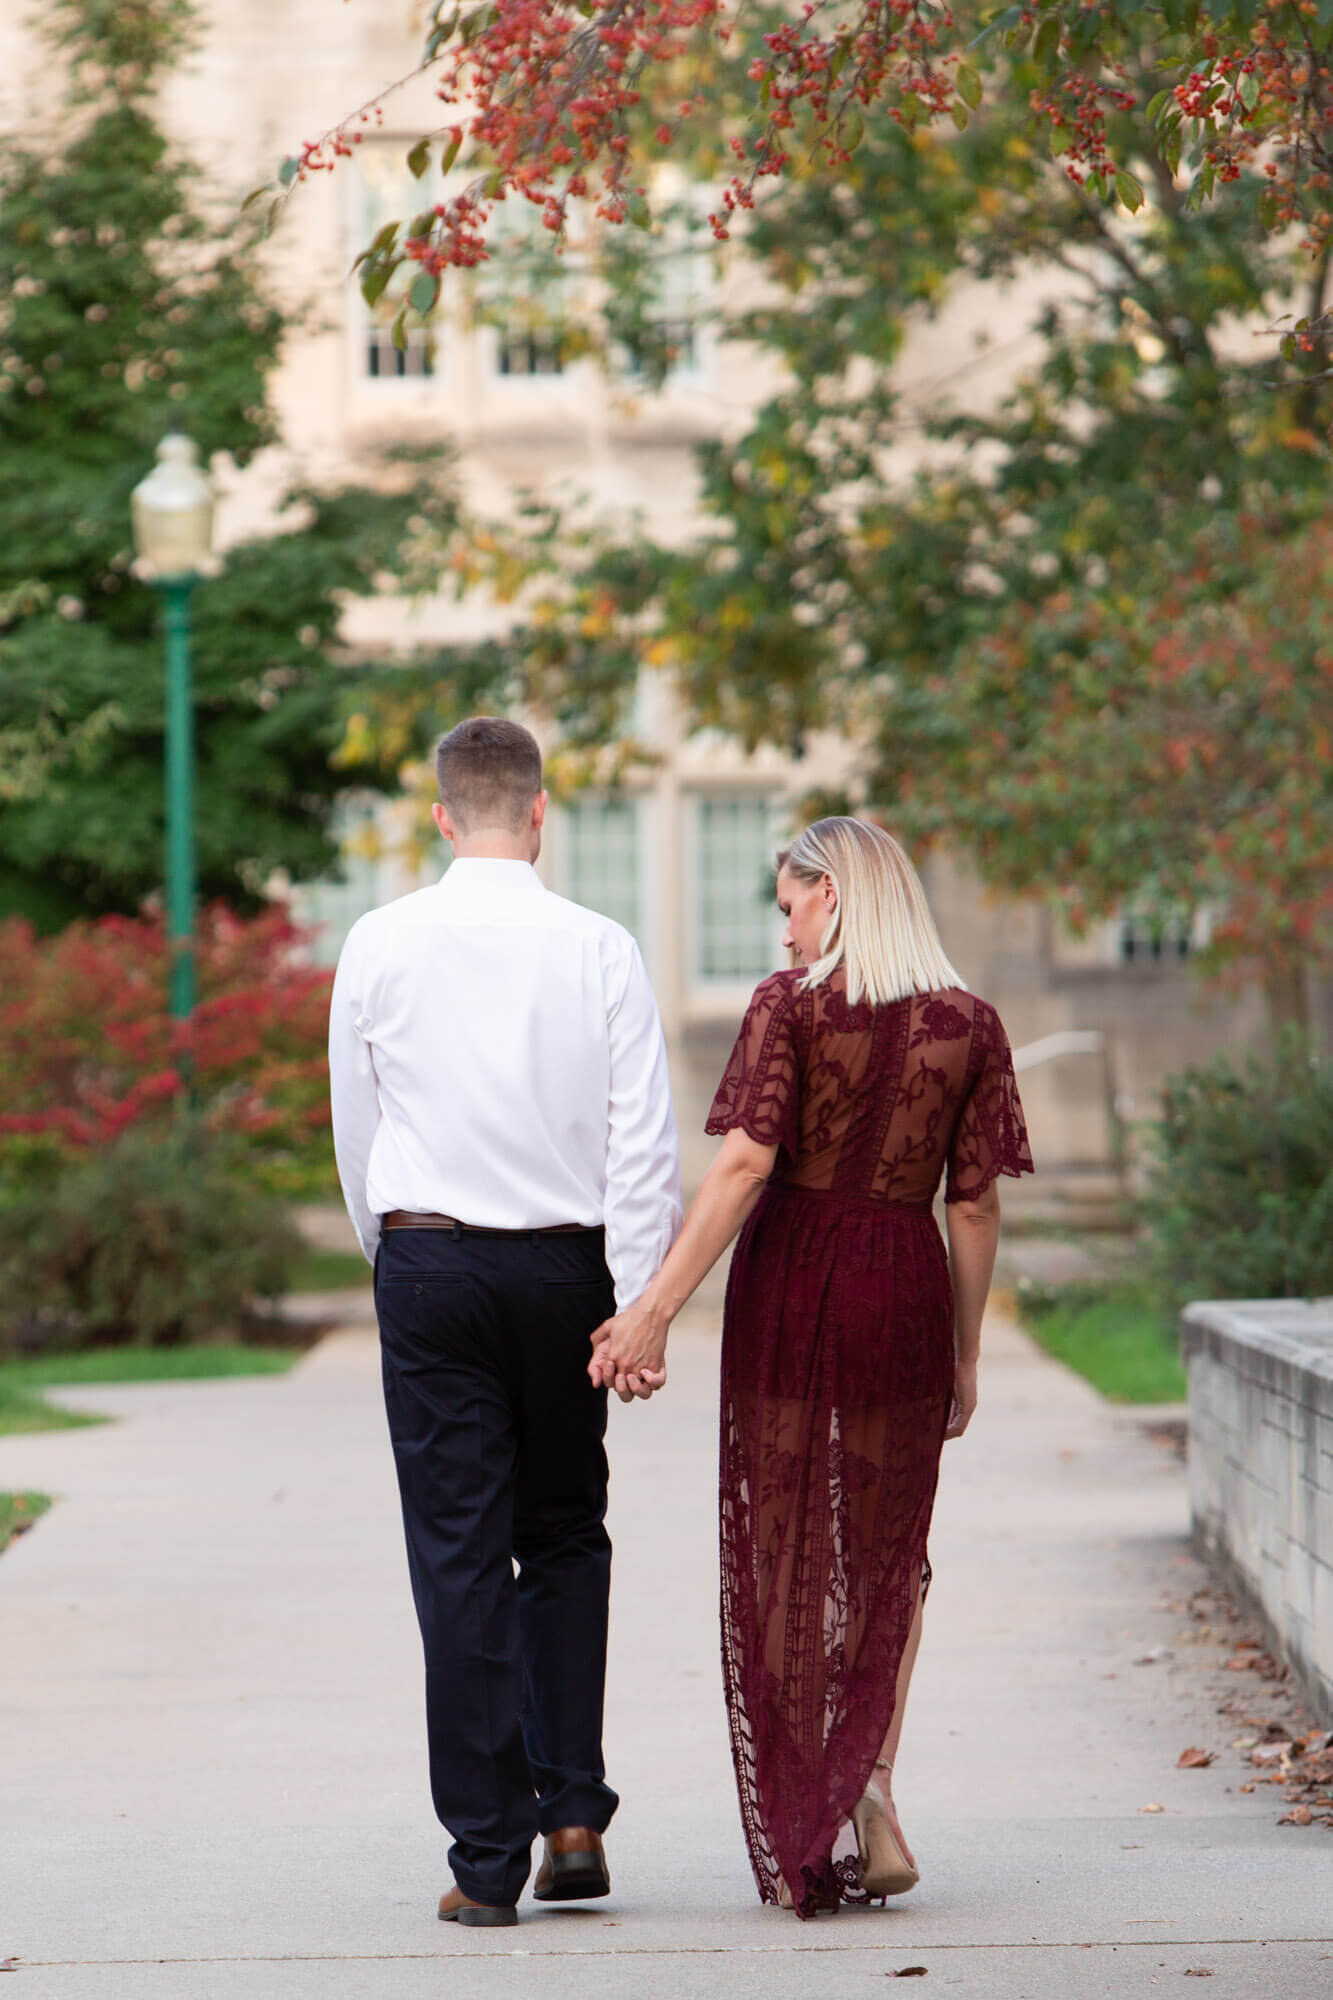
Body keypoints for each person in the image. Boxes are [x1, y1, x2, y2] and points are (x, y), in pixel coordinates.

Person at [590, 815, 1033, 1918]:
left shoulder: (786, 1009)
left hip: (795, 1280)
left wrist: (651, 1311)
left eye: (790, 903)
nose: (783, 930)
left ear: (832, 895)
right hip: (902, 1284)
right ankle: (871, 1783)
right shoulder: (968, 1024)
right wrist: (965, 1350)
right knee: (886, 1550)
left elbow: (743, 1163)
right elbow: (972, 1202)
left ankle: (814, 1808)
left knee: (784, 1537)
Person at [329, 717, 683, 1929]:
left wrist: (393, 1255)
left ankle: (487, 1856)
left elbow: (355, 1124)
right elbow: (644, 1134)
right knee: (564, 1530)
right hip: (562, 1270)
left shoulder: (378, 940)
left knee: (459, 1555)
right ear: (541, 814)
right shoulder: (600, 944)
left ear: (439, 816)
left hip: (428, 1262)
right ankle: (572, 1811)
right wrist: (639, 1298)